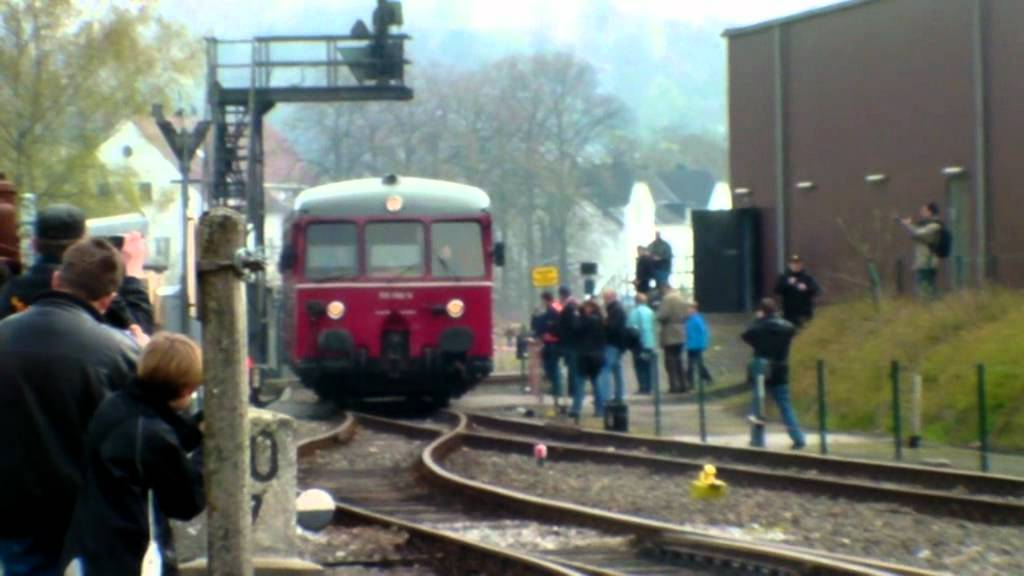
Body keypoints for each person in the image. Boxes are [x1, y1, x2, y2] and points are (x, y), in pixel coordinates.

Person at [0, 238, 139, 575]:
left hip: (14, 512)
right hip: (88, 519)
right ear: (107, 300)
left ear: (56, 280)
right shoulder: (120, 354)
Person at [62, 333, 205, 576]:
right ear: (185, 388)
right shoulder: (151, 434)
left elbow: (157, 444)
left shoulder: (117, 404)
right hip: (129, 555)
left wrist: (193, 430)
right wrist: (207, 451)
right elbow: (186, 503)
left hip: (93, 544)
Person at [0, 204, 155, 333]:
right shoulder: (93, 290)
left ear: (34, 244)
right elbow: (139, 336)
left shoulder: (10, 290)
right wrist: (132, 274)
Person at [741, 298, 806, 449]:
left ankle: (757, 440)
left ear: (762, 311)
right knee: (785, 406)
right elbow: (793, 331)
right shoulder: (787, 328)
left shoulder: (759, 328)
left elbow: (746, 336)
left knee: (758, 406)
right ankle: (798, 438)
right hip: (781, 368)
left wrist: (758, 321)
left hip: (762, 369)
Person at [900, 202, 943, 299]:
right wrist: (909, 225)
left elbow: (918, 233)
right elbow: (918, 232)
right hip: (924, 263)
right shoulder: (930, 226)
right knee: (927, 289)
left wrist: (908, 225)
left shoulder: (935, 226)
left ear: (930, 212)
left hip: (927, 263)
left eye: (924, 211)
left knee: (925, 291)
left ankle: (932, 308)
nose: (922, 213)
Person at [574, 298, 607, 418]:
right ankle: (600, 410)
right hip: (597, 355)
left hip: (585, 355)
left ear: (591, 308)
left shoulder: (586, 320)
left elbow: (576, 329)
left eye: (587, 307)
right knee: (596, 383)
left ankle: (576, 409)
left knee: (580, 383)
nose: (585, 309)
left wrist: (579, 313)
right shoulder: (601, 320)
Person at [656, 283, 688, 393]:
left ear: (665, 289)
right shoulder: (681, 298)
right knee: (679, 360)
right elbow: (687, 315)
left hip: (669, 332)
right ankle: (684, 384)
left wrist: (658, 317)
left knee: (670, 361)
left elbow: (662, 315)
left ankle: (673, 386)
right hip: (681, 331)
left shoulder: (667, 299)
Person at [533, 291, 564, 405]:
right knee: (551, 365)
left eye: (542, 300)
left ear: (545, 299)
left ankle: (557, 389)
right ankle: (556, 388)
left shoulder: (552, 309)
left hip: (553, 341)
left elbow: (549, 323)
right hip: (553, 341)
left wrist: (542, 332)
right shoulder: (557, 306)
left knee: (552, 366)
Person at [774, 255, 820, 328]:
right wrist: (787, 284)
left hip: (804, 313)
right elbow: (777, 290)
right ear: (789, 265)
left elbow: (817, 290)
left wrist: (806, 288)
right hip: (789, 314)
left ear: (801, 265)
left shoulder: (807, 278)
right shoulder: (784, 277)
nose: (795, 266)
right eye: (793, 264)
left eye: (797, 264)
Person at [556, 286, 582, 418]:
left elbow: (572, 326)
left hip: (570, 345)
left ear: (562, 295)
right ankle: (572, 393)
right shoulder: (573, 307)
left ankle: (573, 393)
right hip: (570, 344)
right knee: (572, 371)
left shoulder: (569, 308)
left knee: (573, 371)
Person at [600, 288, 628, 403]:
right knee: (617, 369)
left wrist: (604, 322)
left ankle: (606, 397)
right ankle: (619, 395)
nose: (604, 300)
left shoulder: (615, 310)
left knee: (605, 369)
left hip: (612, 343)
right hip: (618, 343)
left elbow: (612, 327)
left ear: (611, 297)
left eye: (605, 297)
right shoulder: (617, 309)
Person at [627, 293, 657, 395]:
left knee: (639, 366)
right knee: (648, 365)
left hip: (638, 343)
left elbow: (630, 328)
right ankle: (649, 387)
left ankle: (643, 387)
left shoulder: (634, 312)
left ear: (636, 301)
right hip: (650, 342)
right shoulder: (650, 312)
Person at [685, 301, 714, 388]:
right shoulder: (690, 319)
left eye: (689, 308)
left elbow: (703, 331)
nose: (687, 310)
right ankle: (703, 379)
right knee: (696, 364)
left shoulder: (697, 319)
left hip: (696, 345)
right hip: (691, 345)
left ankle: (692, 382)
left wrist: (704, 343)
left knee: (694, 364)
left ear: (694, 309)